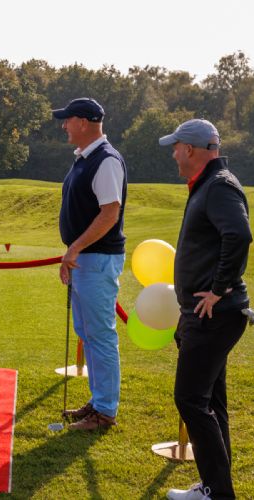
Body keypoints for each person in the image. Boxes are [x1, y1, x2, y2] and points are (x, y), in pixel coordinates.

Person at [160, 119, 251, 500]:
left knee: (190, 399)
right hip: (206, 314)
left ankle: (216, 492)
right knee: (211, 400)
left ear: (193, 150)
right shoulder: (208, 184)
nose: (174, 153)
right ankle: (217, 488)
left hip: (214, 313)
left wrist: (218, 289)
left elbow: (240, 234)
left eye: (177, 146)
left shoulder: (218, 185)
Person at [53, 98, 127, 431]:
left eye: (67, 120)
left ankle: (105, 411)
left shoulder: (106, 160)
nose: (63, 125)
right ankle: (98, 403)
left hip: (97, 259)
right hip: (85, 258)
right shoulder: (86, 158)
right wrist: (74, 252)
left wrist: (76, 248)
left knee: (100, 336)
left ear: (83, 122)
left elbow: (110, 213)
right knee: (89, 333)